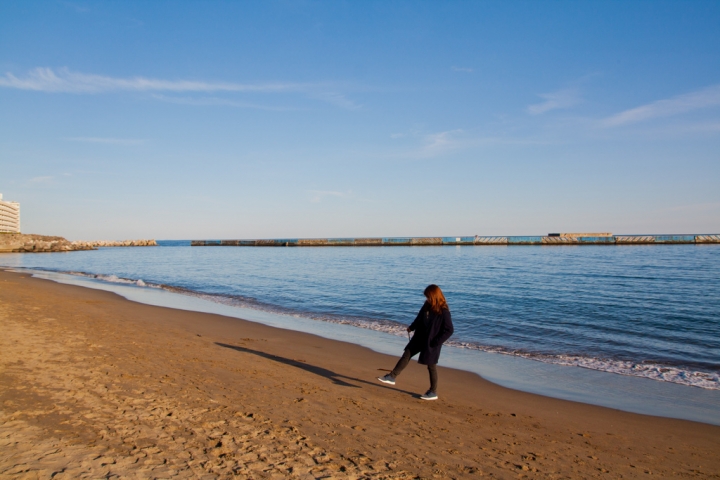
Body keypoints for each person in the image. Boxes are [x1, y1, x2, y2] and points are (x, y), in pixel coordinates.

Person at [378, 284, 454, 400]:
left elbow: (449, 330)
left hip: (431, 342)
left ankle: (433, 392)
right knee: (406, 354)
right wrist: (412, 327)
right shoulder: (426, 305)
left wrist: (436, 341)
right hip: (419, 337)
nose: (427, 299)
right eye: (426, 297)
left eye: (428, 297)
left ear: (434, 296)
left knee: (431, 366)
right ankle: (392, 377)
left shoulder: (444, 311)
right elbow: (419, 318)